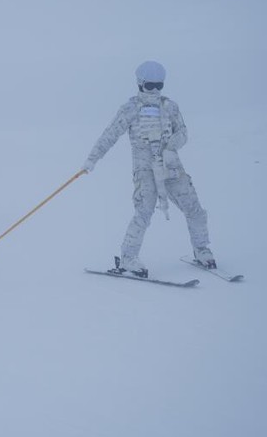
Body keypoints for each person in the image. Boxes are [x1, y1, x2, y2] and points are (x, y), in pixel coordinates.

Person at [81, 61, 215, 277]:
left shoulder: (169, 106)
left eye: (158, 85)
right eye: (150, 85)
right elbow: (110, 135)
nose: (154, 90)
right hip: (144, 169)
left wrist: (171, 145)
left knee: (194, 208)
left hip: (171, 166)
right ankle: (128, 258)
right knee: (144, 210)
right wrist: (91, 160)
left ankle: (202, 250)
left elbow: (183, 132)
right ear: (140, 83)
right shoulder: (131, 108)